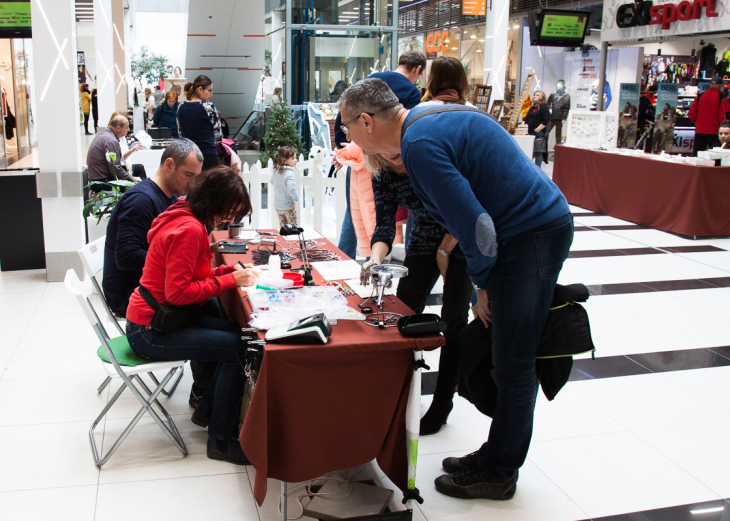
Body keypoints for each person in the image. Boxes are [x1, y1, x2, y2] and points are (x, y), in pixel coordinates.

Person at [339, 78, 572, 501]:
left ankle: (500, 471)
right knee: (506, 355)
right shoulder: (423, 122)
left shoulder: (419, 145)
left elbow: (478, 228)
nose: (347, 138)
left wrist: (481, 286)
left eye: (347, 128)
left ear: (367, 122)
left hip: (530, 232)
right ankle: (494, 454)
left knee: (515, 361)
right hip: (520, 232)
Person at [364, 56, 473, 435]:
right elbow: (383, 225)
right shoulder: (378, 164)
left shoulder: (423, 142)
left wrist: (446, 250)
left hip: (462, 235)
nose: (394, 156)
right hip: (425, 237)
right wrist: (374, 260)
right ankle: (399, 396)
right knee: (403, 314)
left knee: (455, 320)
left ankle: (442, 405)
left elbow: (466, 204)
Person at [125, 166, 260, 465]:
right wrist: (229, 281)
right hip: (150, 330)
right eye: (229, 211)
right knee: (238, 349)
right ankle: (221, 441)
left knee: (239, 336)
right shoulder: (189, 229)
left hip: (161, 318)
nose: (228, 219)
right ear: (215, 202)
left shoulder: (185, 215)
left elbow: (192, 275)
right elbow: (179, 293)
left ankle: (208, 412)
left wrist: (228, 271)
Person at [334, 50, 426, 259]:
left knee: (358, 216)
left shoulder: (369, 83)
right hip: (372, 161)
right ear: (418, 69)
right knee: (368, 217)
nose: (350, 137)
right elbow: (384, 223)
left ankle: (352, 259)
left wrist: (443, 250)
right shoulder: (409, 94)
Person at [177, 75, 223, 170]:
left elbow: (180, 133)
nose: (211, 94)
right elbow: (218, 135)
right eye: (209, 90)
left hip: (188, 156)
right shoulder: (208, 107)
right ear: (200, 89)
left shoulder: (180, 107)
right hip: (208, 155)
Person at [86, 114, 140, 192]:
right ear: (118, 128)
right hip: (101, 182)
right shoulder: (111, 141)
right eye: (126, 127)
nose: (128, 129)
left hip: (102, 177)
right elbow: (116, 169)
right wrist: (133, 180)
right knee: (137, 187)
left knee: (138, 167)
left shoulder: (106, 134)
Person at [689, 76, 730, 155]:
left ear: (711, 84)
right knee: (716, 156)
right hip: (715, 132)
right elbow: (725, 117)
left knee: (697, 156)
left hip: (700, 131)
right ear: (720, 85)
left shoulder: (700, 96)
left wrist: (698, 122)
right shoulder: (722, 97)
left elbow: (692, 114)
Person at [271, 145, 300, 227]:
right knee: (292, 228)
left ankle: (284, 239)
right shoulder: (289, 173)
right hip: (288, 206)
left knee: (283, 228)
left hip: (278, 206)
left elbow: (272, 182)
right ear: (284, 160)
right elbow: (291, 189)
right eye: (293, 158)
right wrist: (296, 200)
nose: (296, 160)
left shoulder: (276, 171)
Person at [524, 91, 550, 167]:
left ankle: (538, 168)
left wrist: (537, 129)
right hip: (530, 132)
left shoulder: (544, 107)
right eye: (534, 95)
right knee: (531, 151)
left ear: (542, 97)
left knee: (538, 152)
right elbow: (527, 118)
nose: (535, 96)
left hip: (539, 132)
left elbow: (546, 120)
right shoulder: (533, 108)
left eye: (537, 95)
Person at [638, 84, 657, 151]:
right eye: (655, 92)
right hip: (645, 119)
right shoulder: (645, 97)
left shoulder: (653, 97)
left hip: (650, 118)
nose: (655, 93)